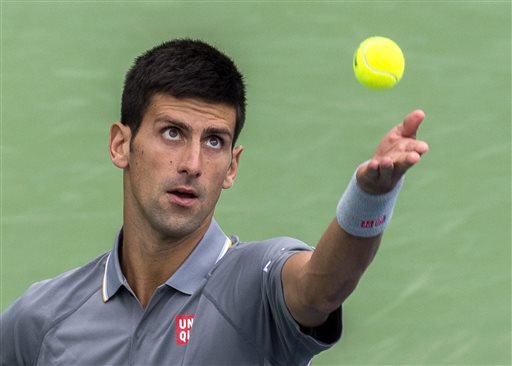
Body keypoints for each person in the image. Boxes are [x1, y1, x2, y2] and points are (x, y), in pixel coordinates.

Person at [0, 39, 429, 366]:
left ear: (231, 167)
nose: (192, 164)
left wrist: (370, 198)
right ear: (121, 144)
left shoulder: (256, 286)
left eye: (214, 141)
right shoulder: (42, 317)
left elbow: (321, 288)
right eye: (172, 132)